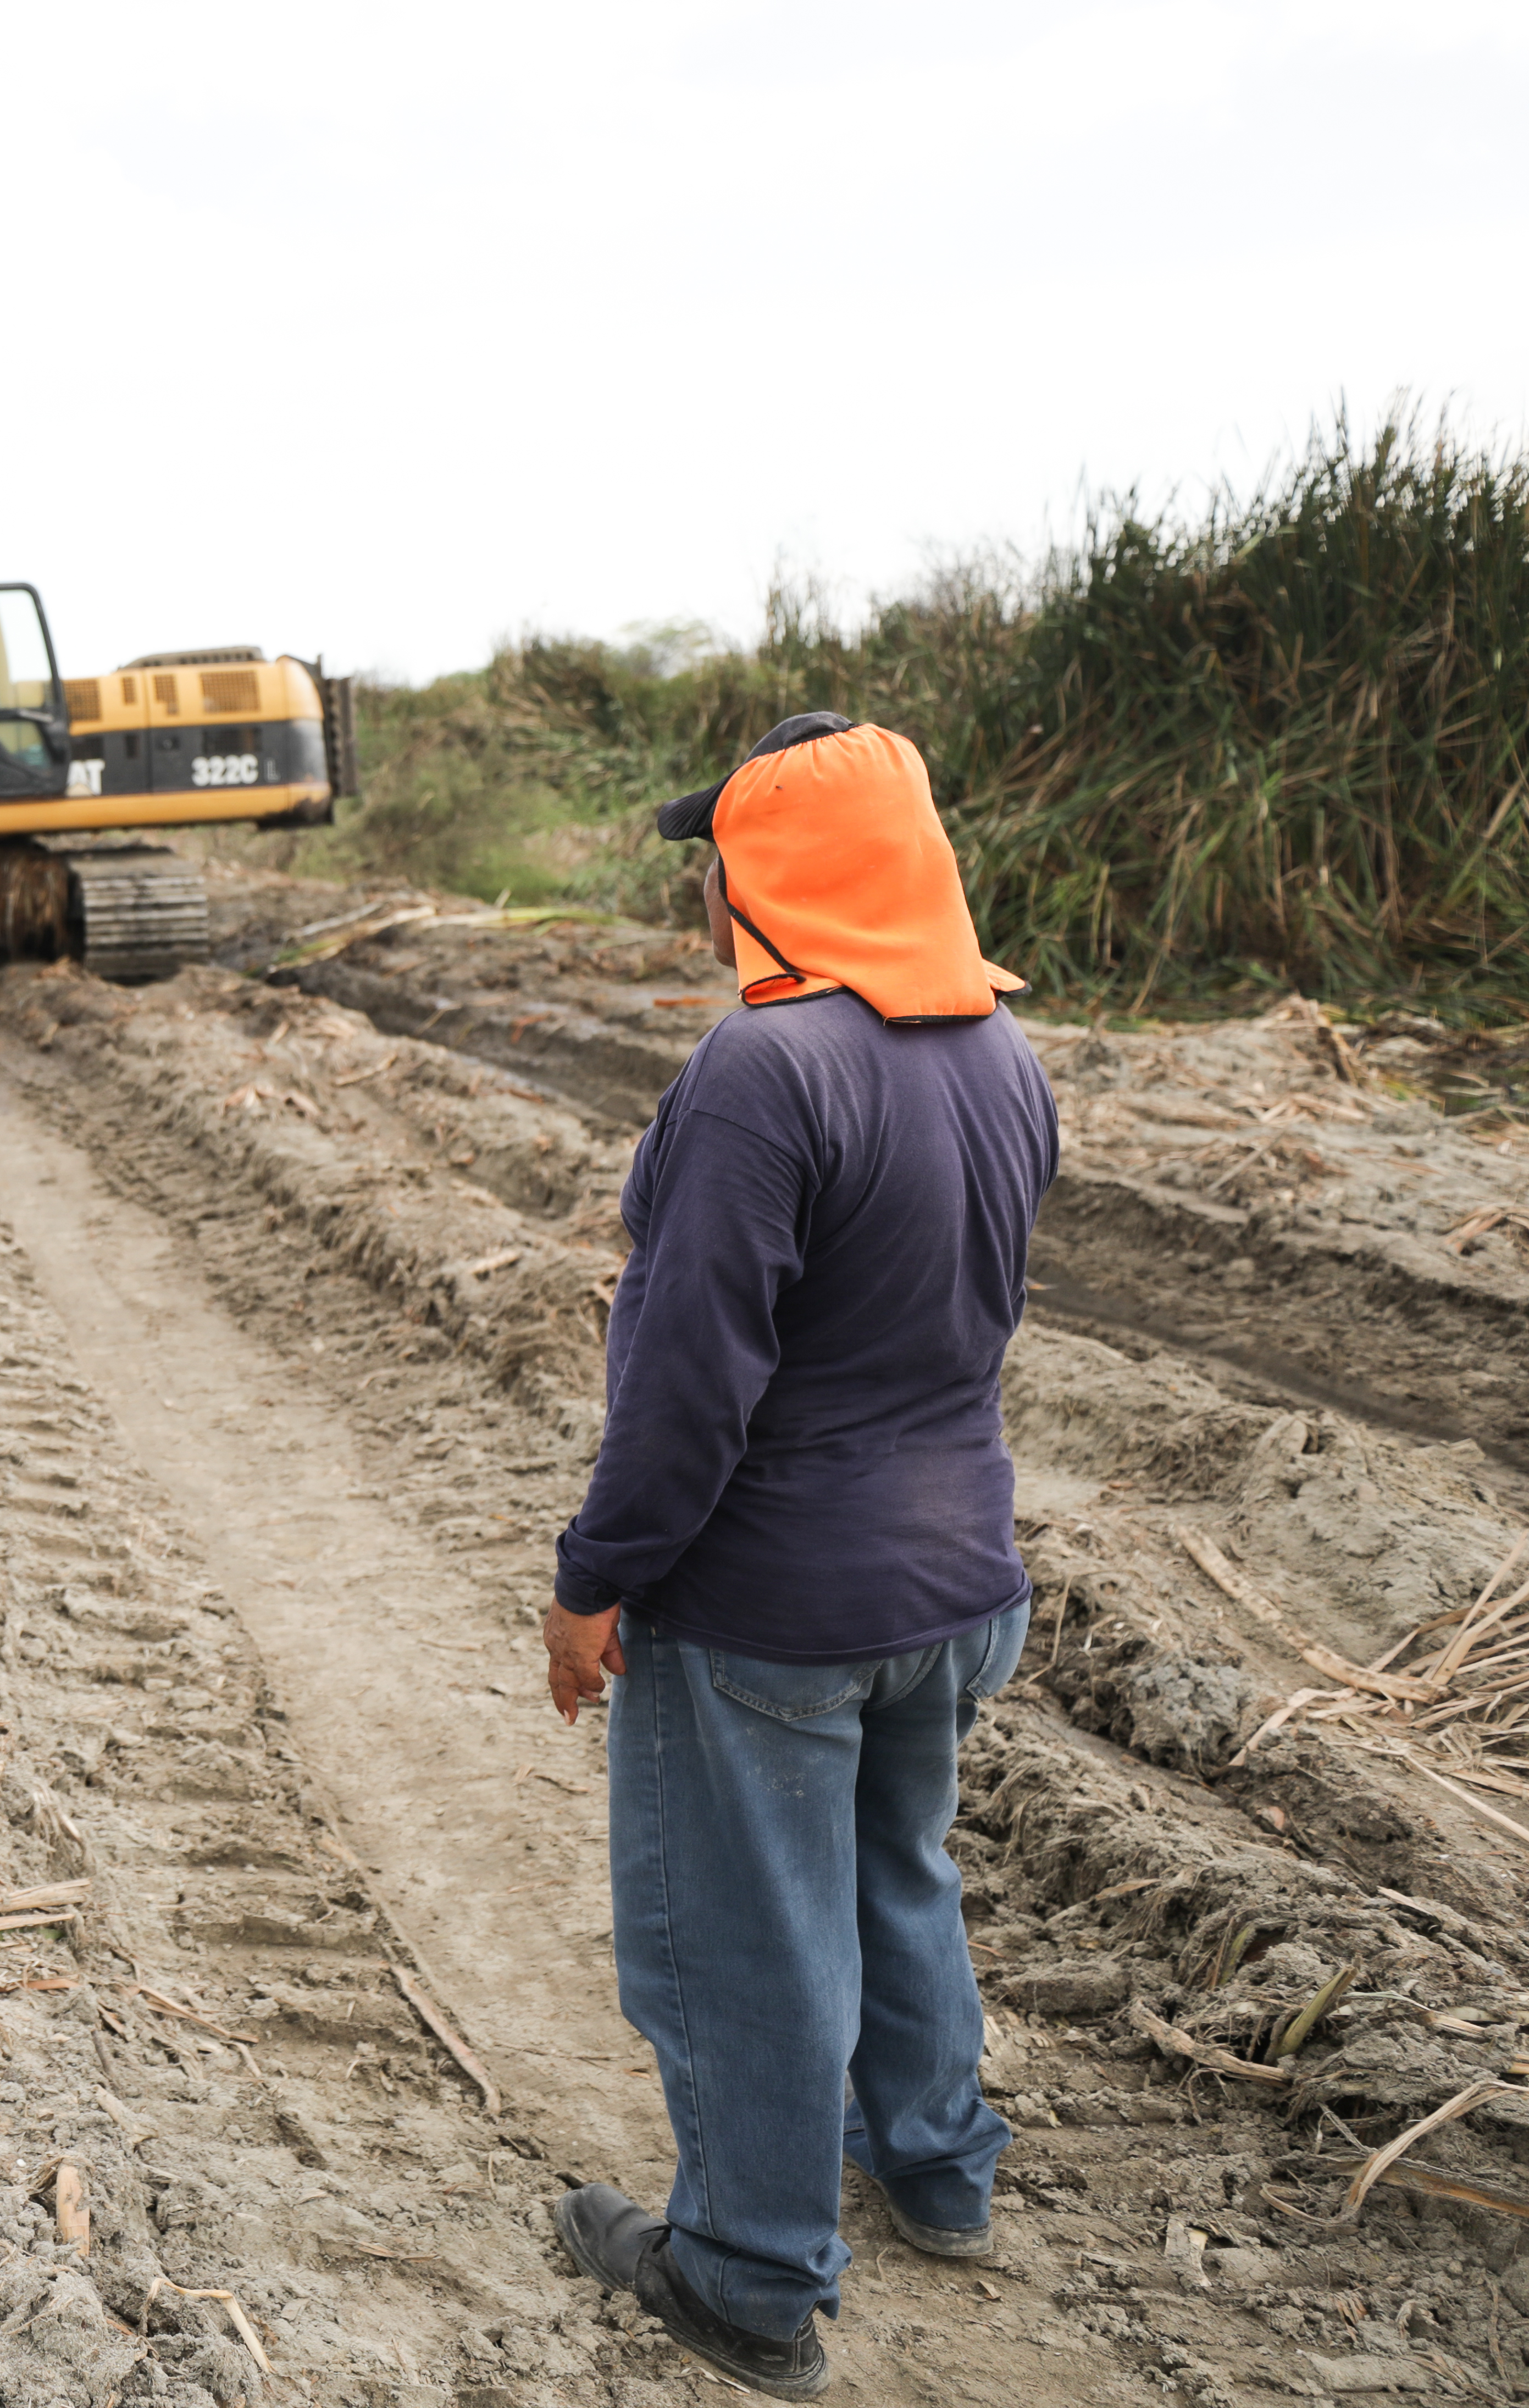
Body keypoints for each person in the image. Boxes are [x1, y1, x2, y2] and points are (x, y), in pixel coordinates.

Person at [539, 711, 1059, 2400]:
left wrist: (594, 1579)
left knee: (749, 1938)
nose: (707, 890)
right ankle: (937, 2168)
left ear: (781, 881)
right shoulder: (999, 1050)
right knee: (894, 1873)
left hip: (774, 1602)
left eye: (727, 858)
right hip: (957, 1576)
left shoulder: (762, 1071)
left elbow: (689, 1385)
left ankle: (749, 2276)